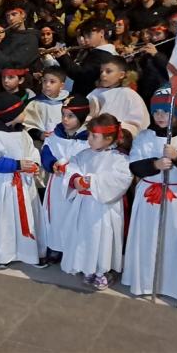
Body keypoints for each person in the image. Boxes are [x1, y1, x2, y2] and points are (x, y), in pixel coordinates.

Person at [123, 86, 177, 306]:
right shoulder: (144, 137)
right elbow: (134, 165)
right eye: (157, 112)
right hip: (149, 195)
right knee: (147, 238)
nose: (160, 117)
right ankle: (144, 282)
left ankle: (174, 285)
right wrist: (155, 164)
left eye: (166, 112)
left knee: (176, 241)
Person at [60, 113, 133, 290]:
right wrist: (76, 179)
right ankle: (87, 267)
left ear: (108, 138)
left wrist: (91, 181)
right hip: (83, 205)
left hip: (104, 210)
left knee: (102, 239)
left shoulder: (120, 159)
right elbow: (73, 166)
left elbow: (121, 180)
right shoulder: (85, 154)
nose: (89, 139)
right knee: (84, 237)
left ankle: (102, 271)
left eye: (94, 136)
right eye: (90, 134)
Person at [0, 91, 48, 268]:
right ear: (11, 114)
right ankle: (4, 253)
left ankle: (30, 252)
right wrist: (18, 165)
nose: (25, 113)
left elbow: (32, 151)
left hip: (25, 185)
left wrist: (33, 164)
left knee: (28, 215)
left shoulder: (22, 132)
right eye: (22, 110)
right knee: (6, 220)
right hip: (6, 186)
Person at [39, 95, 90, 264]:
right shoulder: (56, 134)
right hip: (57, 184)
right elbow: (46, 150)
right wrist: (51, 163)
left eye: (71, 116)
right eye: (63, 115)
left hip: (75, 186)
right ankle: (54, 246)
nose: (65, 119)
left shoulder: (88, 138)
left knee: (73, 216)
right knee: (54, 215)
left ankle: (71, 249)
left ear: (81, 118)